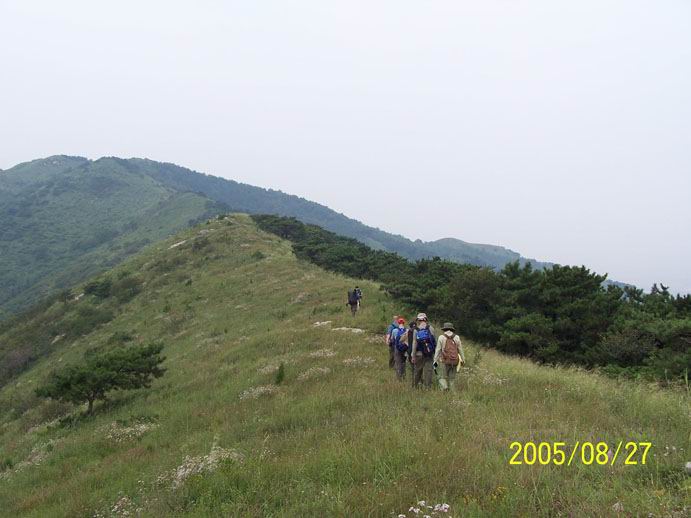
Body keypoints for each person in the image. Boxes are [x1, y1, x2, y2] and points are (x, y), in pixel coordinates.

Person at [433, 322, 465, 391]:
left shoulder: (441, 337)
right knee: (452, 379)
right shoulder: (457, 337)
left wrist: (435, 360)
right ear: (452, 329)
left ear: (444, 329)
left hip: (444, 361)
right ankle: (453, 393)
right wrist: (463, 360)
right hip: (455, 361)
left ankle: (445, 388)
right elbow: (460, 350)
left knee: (441, 377)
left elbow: (438, 350)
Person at [410, 313, 436, 388]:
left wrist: (413, 355)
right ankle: (427, 387)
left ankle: (415, 387)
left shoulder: (416, 330)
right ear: (426, 319)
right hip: (429, 354)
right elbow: (434, 341)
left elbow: (414, 343)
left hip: (419, 354)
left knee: (417, 371)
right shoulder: (431, 328)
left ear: (418, 320)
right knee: (428, 372)